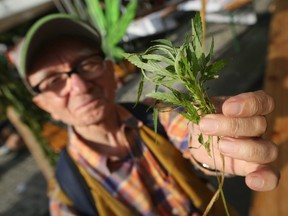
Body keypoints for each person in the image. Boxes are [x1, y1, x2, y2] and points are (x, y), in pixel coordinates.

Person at [17, 14, 279, 215]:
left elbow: (189, 130)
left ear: (111, 71)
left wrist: (217, 142)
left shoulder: (156, 112)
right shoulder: (67, 196)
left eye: (87, 64)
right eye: (53, 81)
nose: (79, 86)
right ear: (42, 104)